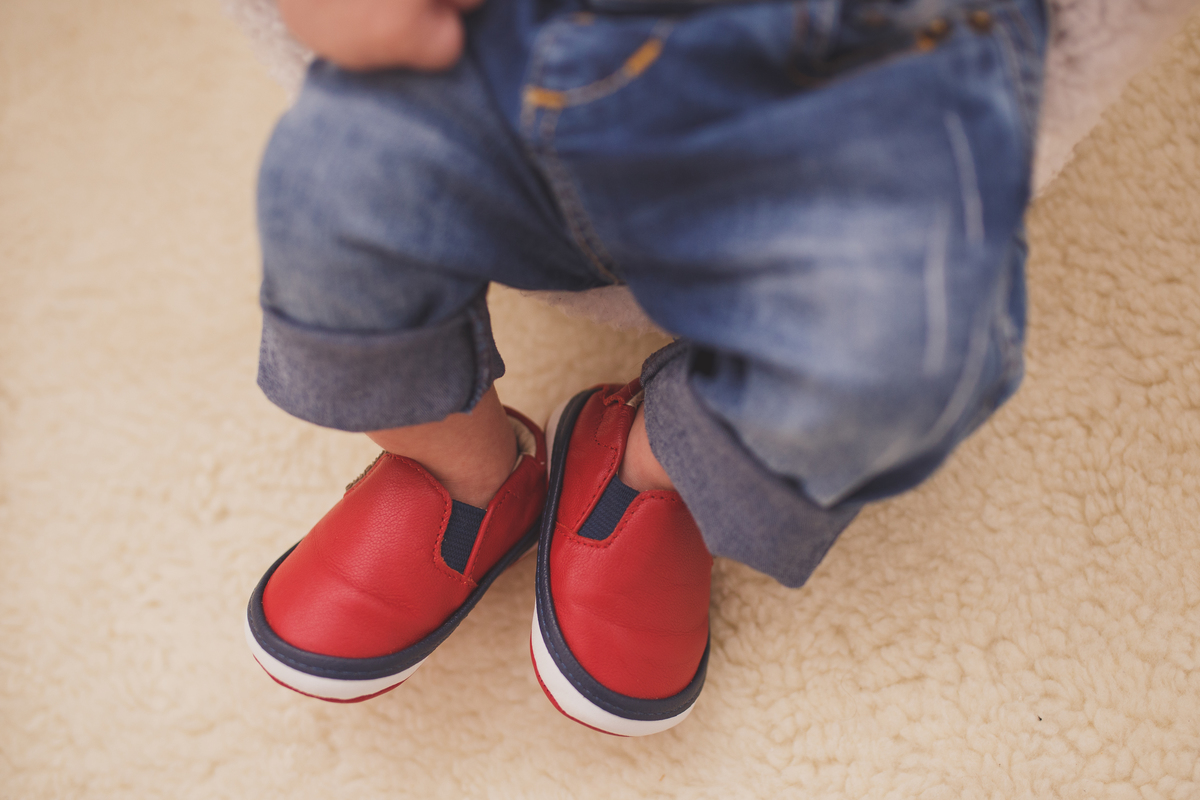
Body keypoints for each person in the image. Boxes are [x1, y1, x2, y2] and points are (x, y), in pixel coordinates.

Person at [243, 0, 1047, 735]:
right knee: (328, 194)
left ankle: (659, 462)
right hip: (511, 48)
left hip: (846, 89)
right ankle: (465, 471)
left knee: (904, 355)